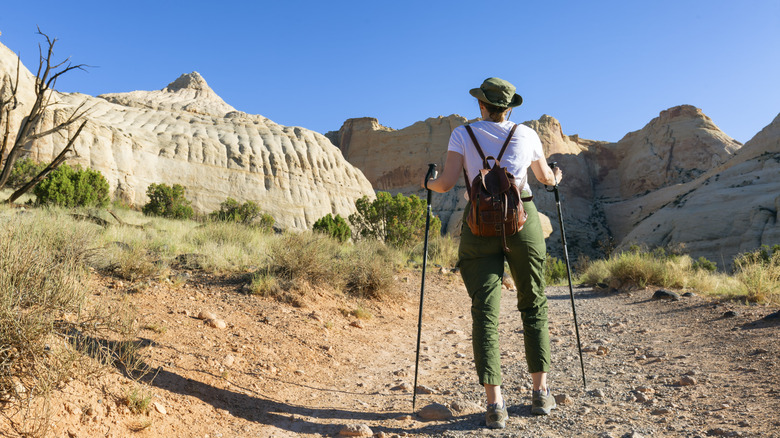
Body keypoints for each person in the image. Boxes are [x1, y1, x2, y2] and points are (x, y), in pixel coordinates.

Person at [423, 77, 562, 429]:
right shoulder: (528, 134)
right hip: (521, 222)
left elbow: (446, 183)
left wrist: (429, 181)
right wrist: (556, 177)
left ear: (481, 105)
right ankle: (540, 393)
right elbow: (545, 177)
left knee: (484, 312)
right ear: (510, 107)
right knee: (533, 303)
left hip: (478, 225)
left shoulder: (461, 134)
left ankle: (494, 404)